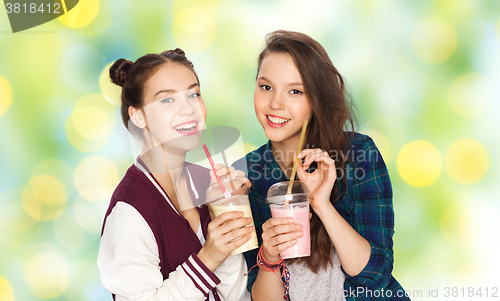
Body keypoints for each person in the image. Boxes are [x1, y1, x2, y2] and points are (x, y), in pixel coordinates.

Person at [234, 30, 409, 300]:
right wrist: (268, 257)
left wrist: (322, 205)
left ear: (316, 100)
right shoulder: (247, 175)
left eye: (295, 91)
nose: (275, 104)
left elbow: (373, 277)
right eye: (266, 87)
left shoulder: (357, 154)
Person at [97, 49, 252, 301]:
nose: (189, 109)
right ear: (138, 115)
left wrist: (222, 211)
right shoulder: (130, 211)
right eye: (167, 100)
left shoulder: (207, 183)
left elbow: (235, 295)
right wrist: (209, 256)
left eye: (193, 94)